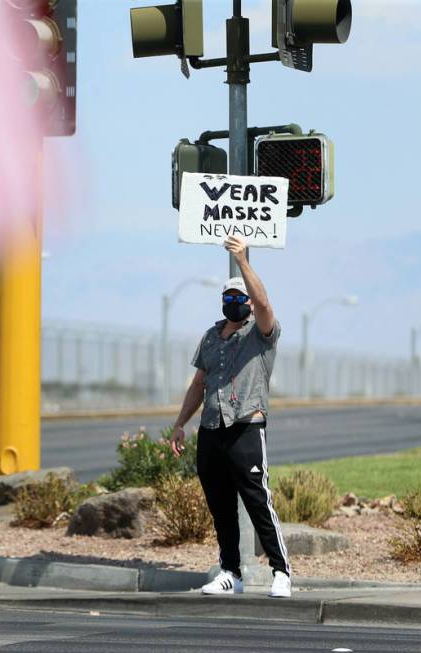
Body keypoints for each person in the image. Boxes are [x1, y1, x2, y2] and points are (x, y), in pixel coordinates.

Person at [170, 235, 292, 599]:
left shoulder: (261, 333)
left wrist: (241, 261)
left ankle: (281, 571)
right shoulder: (210, 336)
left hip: (246, 427)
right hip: (211, 429)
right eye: (229, 297)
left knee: (257, 499)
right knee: (220, 503)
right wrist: (180, 423)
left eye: (241, 298)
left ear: (250, 305)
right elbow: (199, 383)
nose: (234, 302)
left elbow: (265, 302)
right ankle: (230, 572)